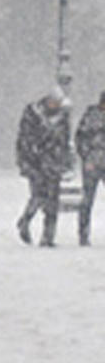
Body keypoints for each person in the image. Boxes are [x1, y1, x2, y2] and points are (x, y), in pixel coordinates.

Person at [15, 86, 72, 247]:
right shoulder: (33, 115)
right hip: (36, 163)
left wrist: (64, 161)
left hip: (53, 163)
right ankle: (25, 221)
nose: (55, 105)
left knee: (53, 200)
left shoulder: (62, 118)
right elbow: (25, 140)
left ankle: (48, 237)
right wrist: (29, 159)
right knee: (38, 196)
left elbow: (64, 141)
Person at [74, 91, 105, 247]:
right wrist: (86, 156)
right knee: (87, 201)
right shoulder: (90, 116)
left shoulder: (90, 117)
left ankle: (83, 233)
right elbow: (80, 138)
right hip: (92, 164)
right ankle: (83, 234)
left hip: (94, 163)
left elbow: (80, 137)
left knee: (87, 201)